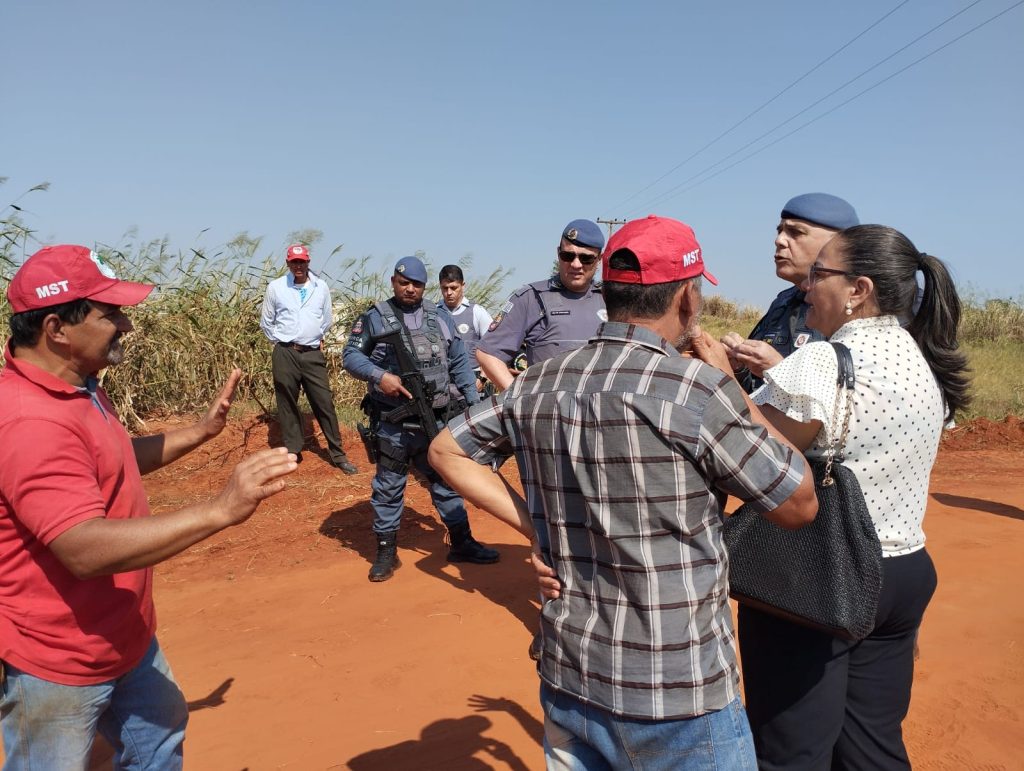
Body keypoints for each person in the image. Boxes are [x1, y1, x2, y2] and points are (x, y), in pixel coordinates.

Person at [428, 215, 818, 770]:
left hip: (569, 677)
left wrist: (536, 528)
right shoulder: (695, 390)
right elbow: (798, 502)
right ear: (687, 296)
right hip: (676, 692)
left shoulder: (539, 382)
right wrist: (731, 384)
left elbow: (446, 450)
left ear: (607, 290)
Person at [0, 244, 297, 769]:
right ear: (57, 329)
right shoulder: (31, 421)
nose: (126, 327)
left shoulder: (77, 384)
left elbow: (109, 460)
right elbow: (83, 549)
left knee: (158, 745)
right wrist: (220, 509)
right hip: (62, 659)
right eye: (109, 313)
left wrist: (200, 432)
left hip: (125, 635)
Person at [701, 224, 970, 769]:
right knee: (872, 747)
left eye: (820, 274)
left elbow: (761, 459)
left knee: (790, 750)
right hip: (903, 571)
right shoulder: (925, 359)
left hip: (816, 573)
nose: (807, 287)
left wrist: (720, 380)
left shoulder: (821, 360)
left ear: (859, 290)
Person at [342, 256, 500, 582]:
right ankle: (386, 551)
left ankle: (462, 542)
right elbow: (351, 355)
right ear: (393, 282)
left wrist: (471, 405)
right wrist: (379, 375)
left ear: (424, 287)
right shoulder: (375, 318)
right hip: (393, 423)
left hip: (436, 420)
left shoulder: (439, 317)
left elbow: (458, 362)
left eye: (416, 284)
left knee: (446, 482)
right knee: (389, 487)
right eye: (404, 283)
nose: (410, 289)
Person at [722, 192, 859, 391]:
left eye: (796, 233)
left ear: (837, 243)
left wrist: (780, 369)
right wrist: (739, 365)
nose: (780, 240)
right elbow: (755, 388)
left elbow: (857, 401)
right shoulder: (783, 302)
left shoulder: (859, 307)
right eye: (780, 231)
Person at [475, 219, 607, 390]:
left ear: (599, 259)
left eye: (586, 258)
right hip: (549, 414)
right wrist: (518, 400)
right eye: (568, 256)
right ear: (558, 253)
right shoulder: (531, 298)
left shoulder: (611, 300)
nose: (576, 264)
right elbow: (488, 353)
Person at [260, 243, 357, 473]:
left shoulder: (320, 287)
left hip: (313, 353)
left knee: (323, 401)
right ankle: (293, 449)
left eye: (302, 262)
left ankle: (338, 454)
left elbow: (326, 319)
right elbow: (266, 321)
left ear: (308, 262)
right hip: (285, 352)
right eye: (294, 262)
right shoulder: (276, 288)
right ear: (287, 264)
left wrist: (316, 336)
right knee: (287, 401)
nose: (298, 266)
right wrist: (283, 340)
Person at [437, 264, 493, 391]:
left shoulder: (477, 312)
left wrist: (483, 379)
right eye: (445, 288)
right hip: (444, 380)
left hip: (474, 378)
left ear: (463, 285)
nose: (449, 293)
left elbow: (493, 347)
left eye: (453, 288)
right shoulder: (434, 313)